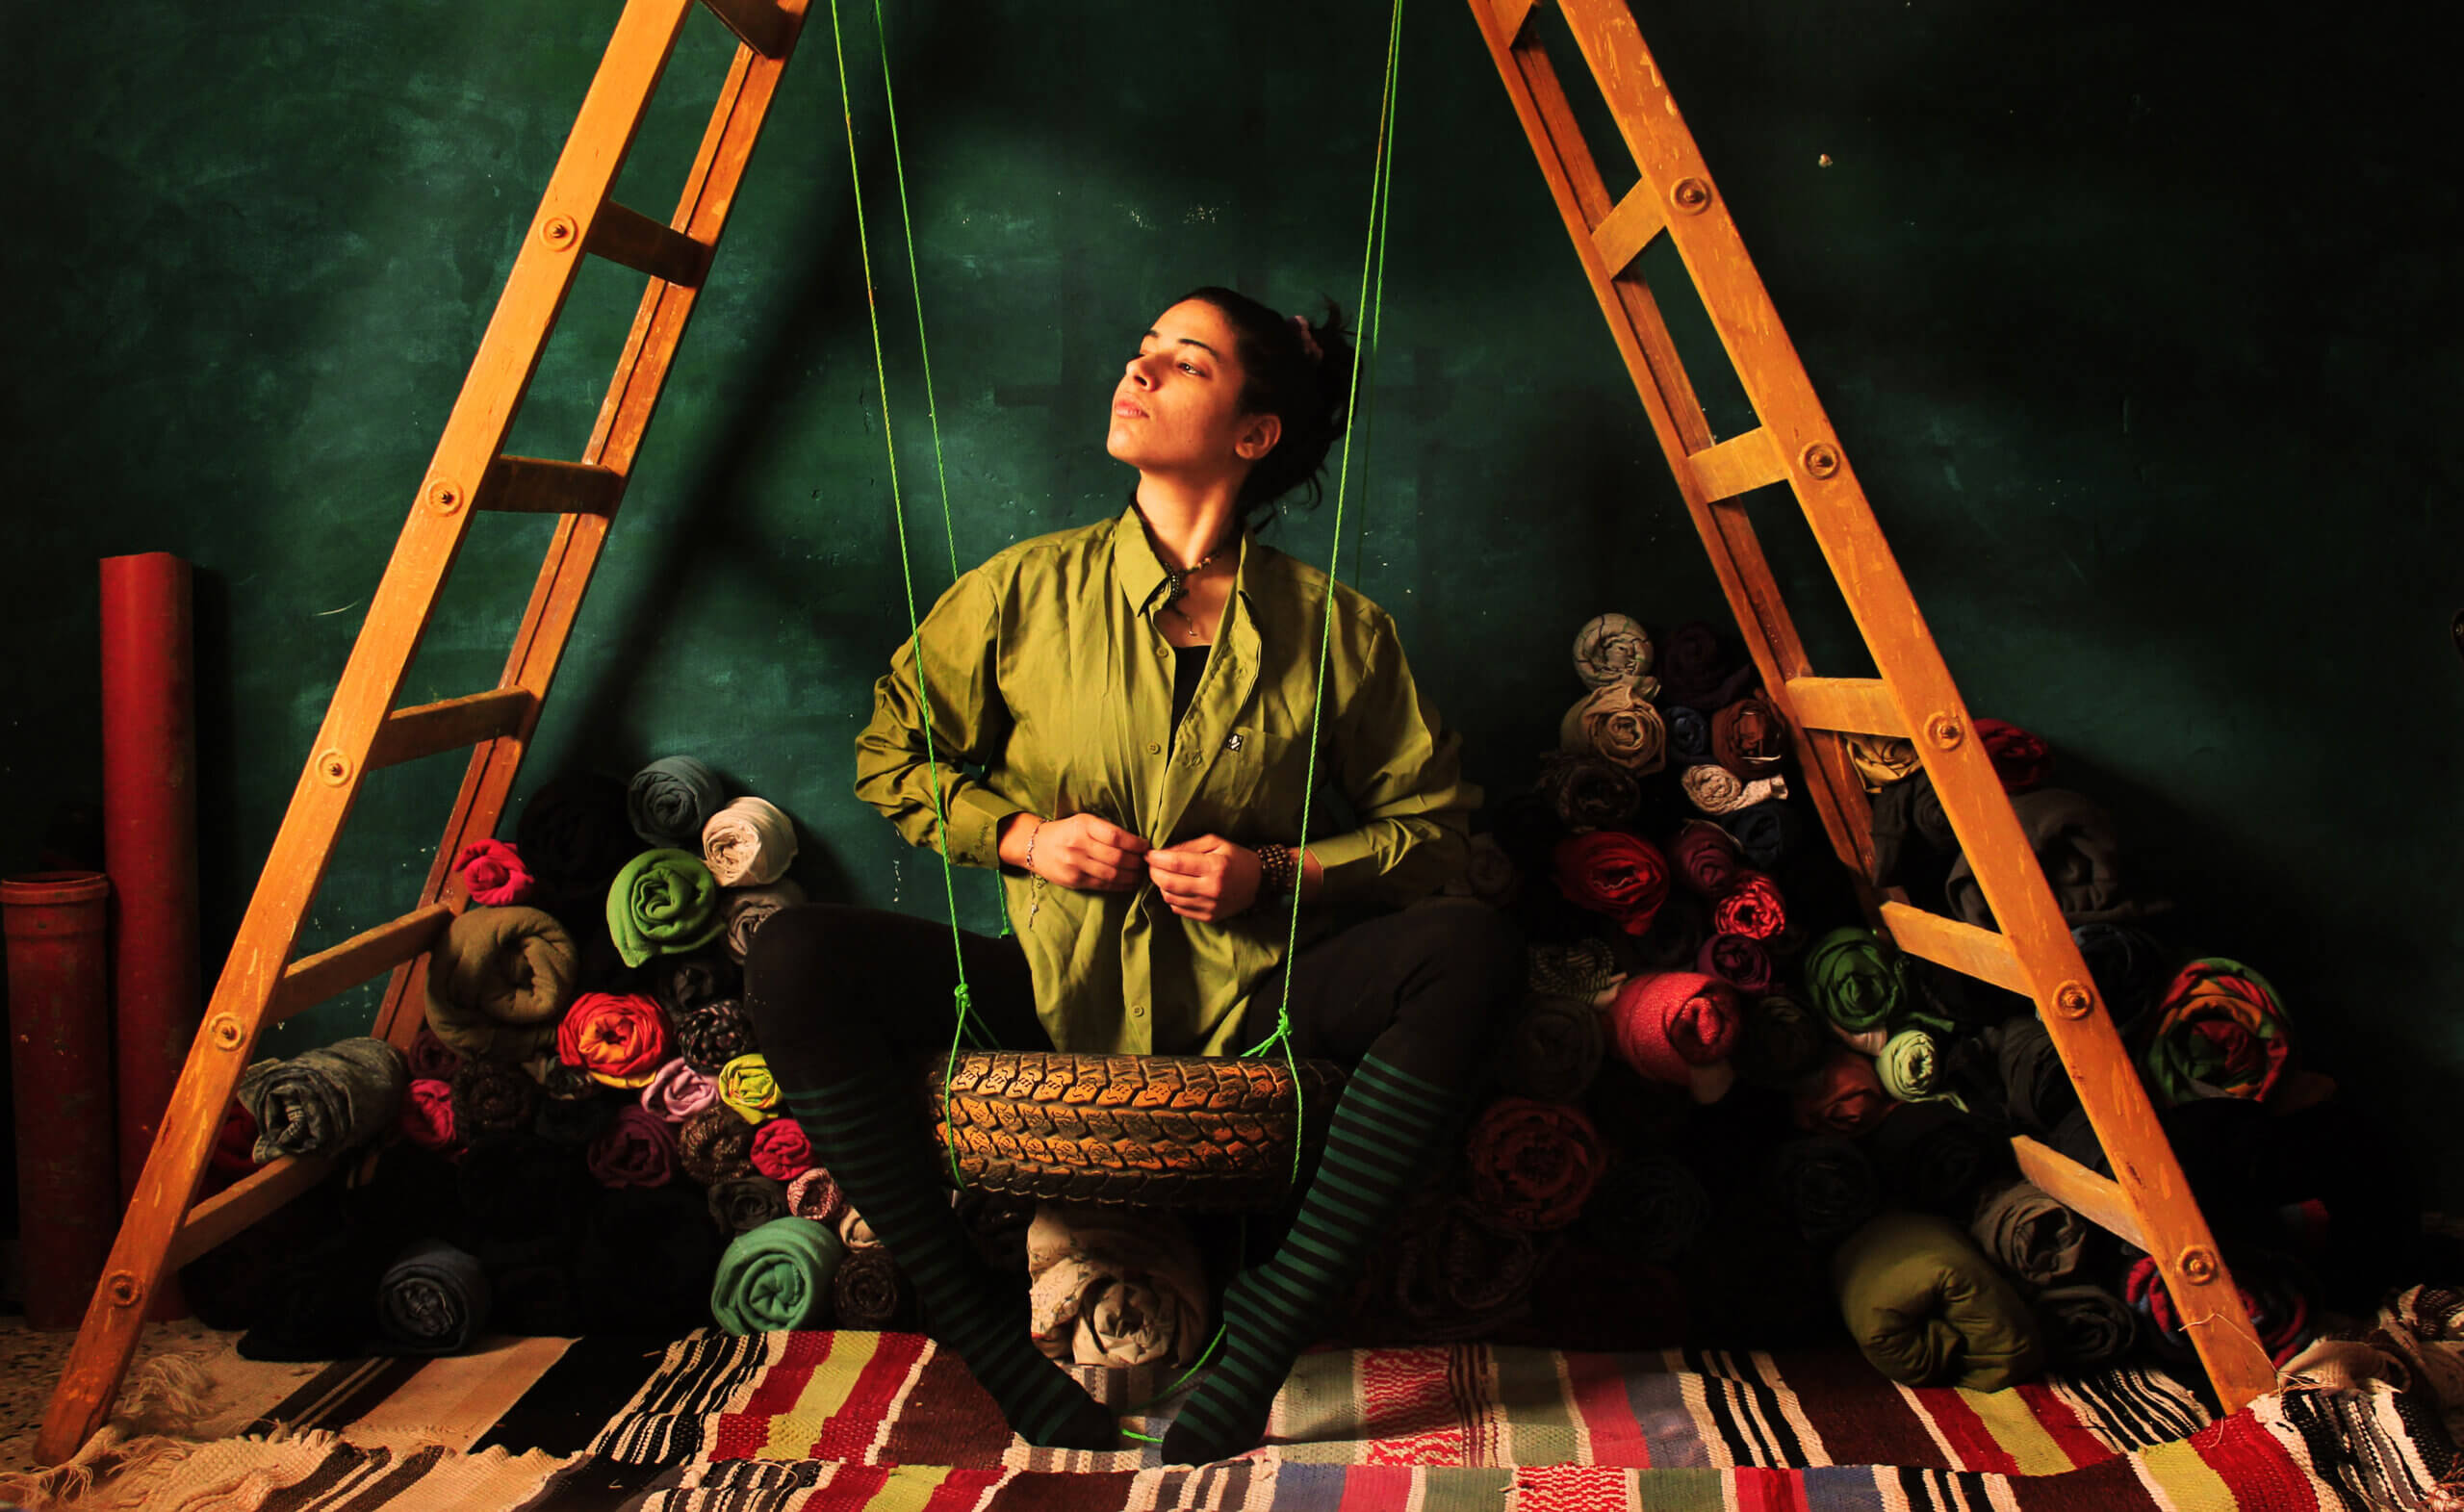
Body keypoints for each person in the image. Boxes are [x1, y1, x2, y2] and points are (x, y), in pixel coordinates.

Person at [744, 288, 1522, 1462]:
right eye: (1141, 350)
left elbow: (1437, 831)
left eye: (1185, 362)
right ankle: (980, 1332)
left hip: (1255, 1004)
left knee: (1470, 945)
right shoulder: (1019, 592)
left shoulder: (1339, 629)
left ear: (1253, 433)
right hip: (1051, 998)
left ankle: (1268, 1330)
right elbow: (891, 752)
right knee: (795, 953)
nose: (1139, 370)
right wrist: (1021, 837)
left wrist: (1275, 872)